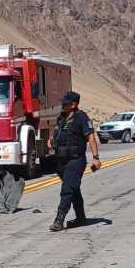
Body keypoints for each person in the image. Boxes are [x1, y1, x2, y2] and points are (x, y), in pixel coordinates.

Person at [47, 91, 101, 231]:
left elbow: (91, 138)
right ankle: (81, 217)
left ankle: (59, 219)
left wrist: (96, 158)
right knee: (73, 189)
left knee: (67, 190)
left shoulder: (81, 118)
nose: (62, 105)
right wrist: (51, 141)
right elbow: (56, 135)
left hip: (76, 160)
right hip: (61, 161)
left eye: (65, 103)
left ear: (73, 104)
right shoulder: (61, 118)